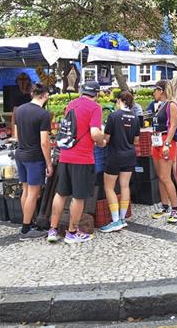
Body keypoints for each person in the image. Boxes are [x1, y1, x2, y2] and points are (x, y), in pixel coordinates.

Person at [47, 81, 105, 244]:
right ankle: (72, 233)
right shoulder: (95, 108)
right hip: (83, 158)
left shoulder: (71, 104)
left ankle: (53, 229)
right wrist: (102, 142)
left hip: (65, 155)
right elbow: (94, 132)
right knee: (78, 197)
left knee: (61, 193)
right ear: (97, 94)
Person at [12, 83, 53, 240]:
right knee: (33, 193)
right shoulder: (43, 114)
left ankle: (27, 221)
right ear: (45, 95)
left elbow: (17, 135)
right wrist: (49, 163)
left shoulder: (20, 110)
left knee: (26, 190)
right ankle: (26, 228)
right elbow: (44, 142)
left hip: (21, 153)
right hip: (34, 157)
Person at [99, 91, 140, 233]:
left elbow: (107, 139)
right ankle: (122, 218)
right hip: (129, 155)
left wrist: (101, 140)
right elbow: (136, 140)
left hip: (115, 155)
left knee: (109, 187)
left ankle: (115, 220)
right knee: (125, 186)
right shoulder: (135, 117)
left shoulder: (113, 116)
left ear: (119, 101)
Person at [150, 80, 177, 223]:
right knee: (160, 176)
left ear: (161, 91)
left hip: (165, 141)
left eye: (155, 90)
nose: (153, 93)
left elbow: (173, 126)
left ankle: (175, 208)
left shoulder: (172, 105)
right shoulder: (159, 106)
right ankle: (165, 206)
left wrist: (167, 143)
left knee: (165, 176)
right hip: (156, 140)